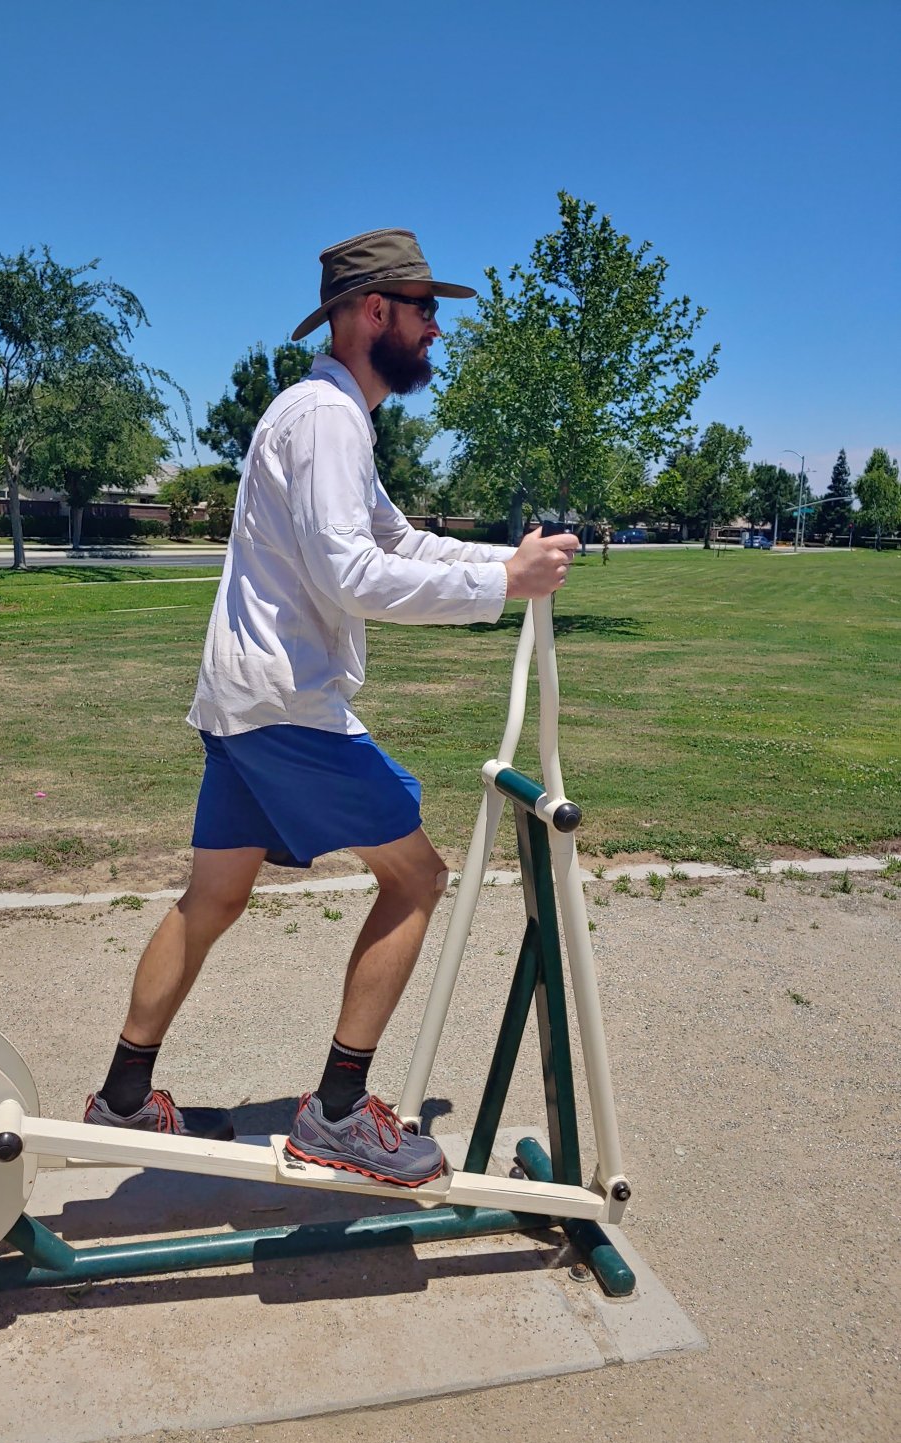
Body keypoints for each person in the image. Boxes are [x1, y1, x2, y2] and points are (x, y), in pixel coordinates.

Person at [86, 228, 579, 1186]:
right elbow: (351, 574)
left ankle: (123, 1096)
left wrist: (506, 562)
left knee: (213, 898)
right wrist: (501, 586)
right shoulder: (326, 417)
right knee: (416, 879)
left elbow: (397, 539)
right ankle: (340, 1112)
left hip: (246, 701)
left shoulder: (330, 415)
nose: (436, 328)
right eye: (424, 309)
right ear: (373, 311)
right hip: (286, 705)